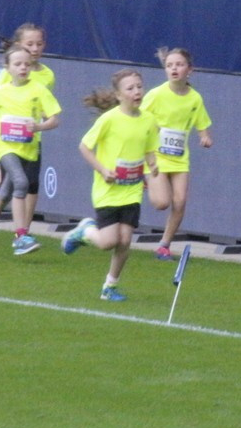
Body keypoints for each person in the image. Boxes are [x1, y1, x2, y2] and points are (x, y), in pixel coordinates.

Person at [61, 69, 169, 302]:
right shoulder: (109, 119)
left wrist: (152, 166)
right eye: (130, 88)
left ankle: (110, 286)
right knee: (108, 242)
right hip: (108, 191)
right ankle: (85, 231)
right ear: (119, 95)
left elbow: (149, 148)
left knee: (125, 240)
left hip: (131, 190)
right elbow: (84, 146)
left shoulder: (149, 120)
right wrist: (102, 170)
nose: (137, 91)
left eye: (139, 86)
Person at [0, 45, 61, 256]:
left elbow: (54, 119)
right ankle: (20, 237)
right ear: (7, 68)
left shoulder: (38, 90)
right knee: (21, 183)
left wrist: (39, 126)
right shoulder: (1, 92)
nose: (23, 68)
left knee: (7, 191)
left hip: (29, 148)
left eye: (27, 64)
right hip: (5, 147)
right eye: (17, 64)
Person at [142, 48, 213, 261]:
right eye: (169, 65)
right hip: (156, 156)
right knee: (162, 203)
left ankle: (164, 245)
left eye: (179, 64)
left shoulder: (195, 99)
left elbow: (202, 124)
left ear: (190, 70)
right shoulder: (156, 94)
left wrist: (205, 137)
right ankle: (143, 179)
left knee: (180, 202)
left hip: (180, 158)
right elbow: (139, 118)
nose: (174, 69)